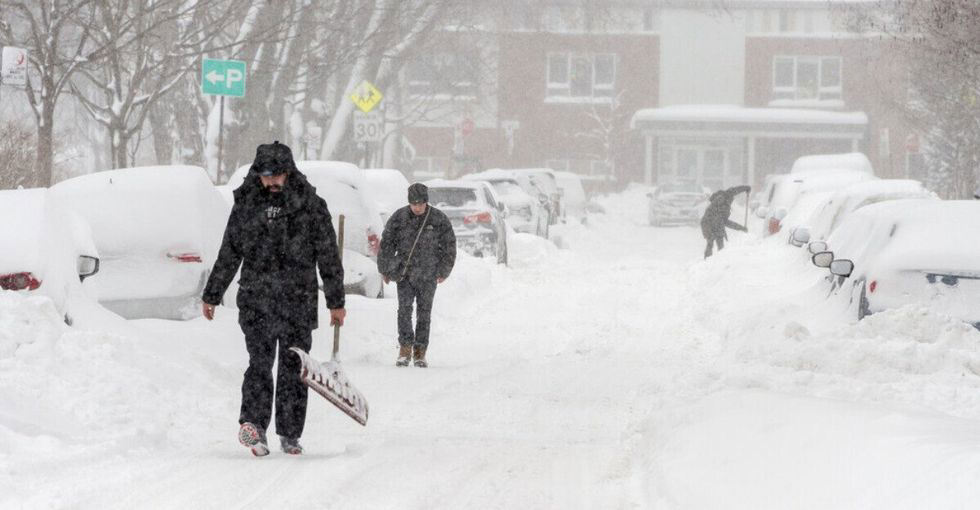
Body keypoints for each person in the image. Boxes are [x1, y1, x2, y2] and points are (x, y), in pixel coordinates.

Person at [201, 141, 346, 457]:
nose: (272, 182)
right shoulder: (247, 204)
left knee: (294, 367)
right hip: (257, 299)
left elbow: (328, 255)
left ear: (289, 172)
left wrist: (336, 301)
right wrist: (212, 293)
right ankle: (254, 427)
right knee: (259, 364)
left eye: (277, 175)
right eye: (266, 176)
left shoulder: (310, 204)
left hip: (298, 299)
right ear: (257, 174)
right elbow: (230, 250)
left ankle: (290, 434)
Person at [377, 183, 456, 367]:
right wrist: (385, 269)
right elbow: (386, 244)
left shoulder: (438, 219)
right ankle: (405, 348)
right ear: (409, 202)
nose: (417, 207)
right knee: (404, 310)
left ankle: (420, 352)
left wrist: (444, 271)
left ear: (426, 202)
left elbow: (449, 246)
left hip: (429, 275)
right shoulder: (399, 218)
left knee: (424, 313)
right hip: (404, 273)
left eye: (420, 203)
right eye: (414, 203)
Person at [700, 185, 751, 258]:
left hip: (710, 223)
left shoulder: (723, 199)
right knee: (713, 242)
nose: (732, 199)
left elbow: (735, 190)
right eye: (732, 198)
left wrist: (745, 188)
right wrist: (741, 228)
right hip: (709, 224)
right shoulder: (723, 200)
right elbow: (727, 222)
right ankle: (711, 261)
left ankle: (714, 260)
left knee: (714, 242)